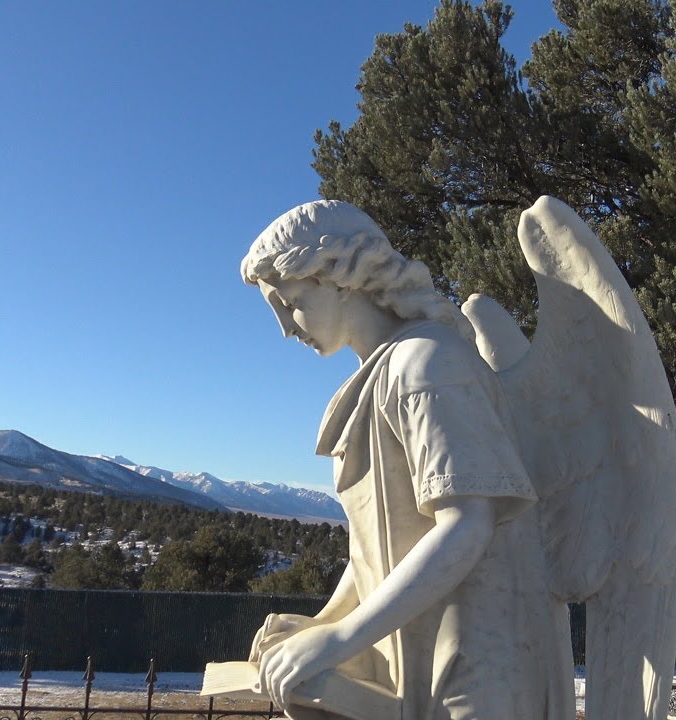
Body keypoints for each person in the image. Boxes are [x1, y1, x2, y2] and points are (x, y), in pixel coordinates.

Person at [240, 200, 574, 720]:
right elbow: (375, 550)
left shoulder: (427, 365)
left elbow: (466, 524)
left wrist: (340, 640)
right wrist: (325, 625)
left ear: (340, 278)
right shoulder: (387, 372)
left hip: (471, 670)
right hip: (416, 655)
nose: (285, 327)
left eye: (291, 301)